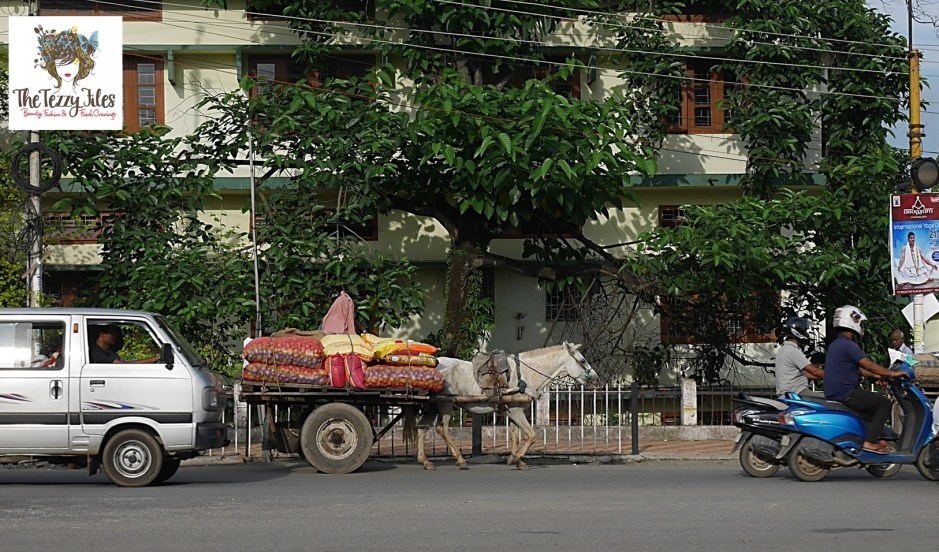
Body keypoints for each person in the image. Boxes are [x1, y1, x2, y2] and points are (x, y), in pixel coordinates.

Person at [824, 305, 906, 454]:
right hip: (846, 392)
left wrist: (878, 376)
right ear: (853, 322)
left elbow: (860, 369)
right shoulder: (849, 345)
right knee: (884, 404)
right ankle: (869, 442)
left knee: (870, 412)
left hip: (837, 391)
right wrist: (892, 374)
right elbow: (867, 364)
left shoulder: (837, 344)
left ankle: (859, 440)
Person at [775, 316, 825, 398]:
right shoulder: (792, 351)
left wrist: (825, 377)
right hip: (797, 393)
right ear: (798, 332)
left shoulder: (784, 349)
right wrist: (835, 376)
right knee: (832, 403)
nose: (806, 333)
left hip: (789, 394)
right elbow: (815, 371)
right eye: (805, 330)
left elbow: (805, 374)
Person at [89, 325, 159, 364]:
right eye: (112, 333)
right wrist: (155, 358)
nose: (115, 335)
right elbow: (124, 365)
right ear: (102, 334)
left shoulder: (108, 351)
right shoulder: (96, 353)